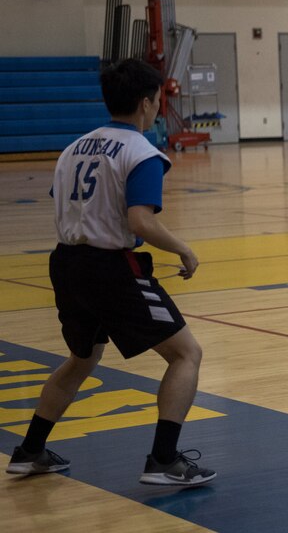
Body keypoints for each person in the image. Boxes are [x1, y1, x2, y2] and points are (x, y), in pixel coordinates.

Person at [6, 59, 216, 486]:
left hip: (66, 262)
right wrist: (184, 250)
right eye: (158, 101)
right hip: (111, 267)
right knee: (186, 354)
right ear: (146, 103)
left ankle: (29, 451)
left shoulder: (73, 148)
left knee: (82, 359)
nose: (158, 108)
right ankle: (163, 459)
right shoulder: (142, 153)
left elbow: (67, 202)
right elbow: (140, 222)